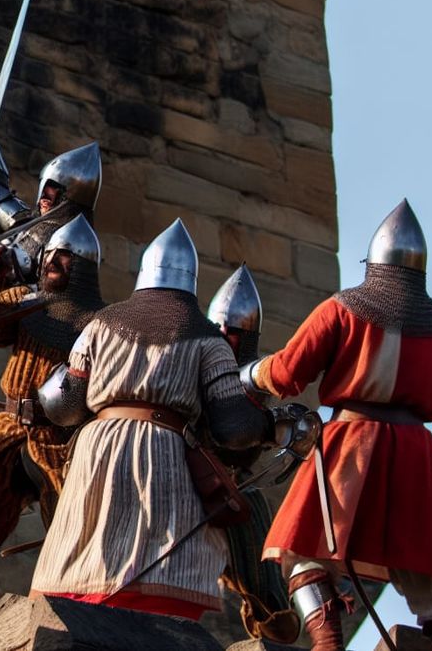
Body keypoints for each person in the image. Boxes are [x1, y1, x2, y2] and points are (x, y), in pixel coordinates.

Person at [249, 200, 432, 651]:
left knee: (302, 551)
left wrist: (248, 375)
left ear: (373, 265)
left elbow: (289, 371)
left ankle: (328, 642)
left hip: (351, 445)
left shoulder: (342, 310)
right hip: (415, 454)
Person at [30, 219, 268, 619]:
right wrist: (271, 423)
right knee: (158, 554)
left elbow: (65, 407)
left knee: (85, 541)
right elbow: (234, 427)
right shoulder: (207, 338)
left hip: (97, 448)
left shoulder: (100, 324)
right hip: (163, 451)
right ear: (190, 281)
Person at [0, 214, 105, 561]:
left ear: (84, 267)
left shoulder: (101, 325)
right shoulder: (27, 301)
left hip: (63, 444)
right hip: (8, 428)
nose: (54, 260)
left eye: (65, 256)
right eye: (51, 254)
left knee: (76, 535)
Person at [204, 266, 300, 644]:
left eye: (234, 333)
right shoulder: (193, 358)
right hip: (181, 462)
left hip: (225, 476)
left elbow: (242, 437)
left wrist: (273, 425)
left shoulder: (251, 378)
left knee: (255, 513)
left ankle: (268, 611)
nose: (226, 338)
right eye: (221, 331)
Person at [0, 113, 100, 276]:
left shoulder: (75, 245)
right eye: (47, 185)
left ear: (72, 198)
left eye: (58, 189)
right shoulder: (32, 225)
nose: (46, 194)